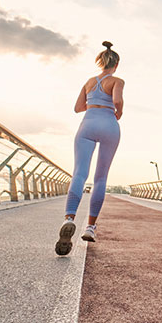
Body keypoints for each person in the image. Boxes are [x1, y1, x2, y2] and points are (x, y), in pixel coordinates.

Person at [55, 41, 124, 255]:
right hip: (109, 124)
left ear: (100, 62)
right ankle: (91, 227)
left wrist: (93, 101)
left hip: (88, 122)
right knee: (100, 178)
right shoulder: (117, 80)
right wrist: (118, 111)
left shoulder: (89, 81)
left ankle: (69, 218)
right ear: (116, 64)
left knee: (79, 174)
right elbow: (117, 100)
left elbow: (77, 108)